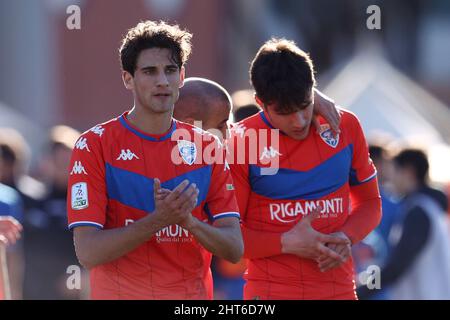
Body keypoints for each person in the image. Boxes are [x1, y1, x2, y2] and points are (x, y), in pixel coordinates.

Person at [67, 20, 243, 300]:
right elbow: (88, 253)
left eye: (170, 70)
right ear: (128, 78)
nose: (162, 81)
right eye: (150, 71)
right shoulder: (94, 144)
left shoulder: (207, 146)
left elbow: (234, 249)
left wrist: (189, 223)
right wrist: (159, 220)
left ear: (182, 76)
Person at [228, 38, 382, 300]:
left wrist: (347, 236)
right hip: (270, 294)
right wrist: (287, 242)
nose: (299, 120)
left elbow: (370, 203)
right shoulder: (241, 140)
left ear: (314, 90)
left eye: (304, 106)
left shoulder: (344, 125)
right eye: (285, 112)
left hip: (340, 291)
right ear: (260, 102)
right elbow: (229, 237)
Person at [358, 149, 450, 299]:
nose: (391, 178)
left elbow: (398, 265)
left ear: (409, 172)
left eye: (395, 170)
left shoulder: (419, 211)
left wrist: (362, 291)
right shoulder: (428, 208)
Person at [23, 125, 85, 300]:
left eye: (68, 162)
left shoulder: (87, 202)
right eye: (57, 161)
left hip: (69, 290)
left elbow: (95, 245)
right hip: (33, 289)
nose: (62, 167)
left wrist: (79, 278)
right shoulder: (30, 198)